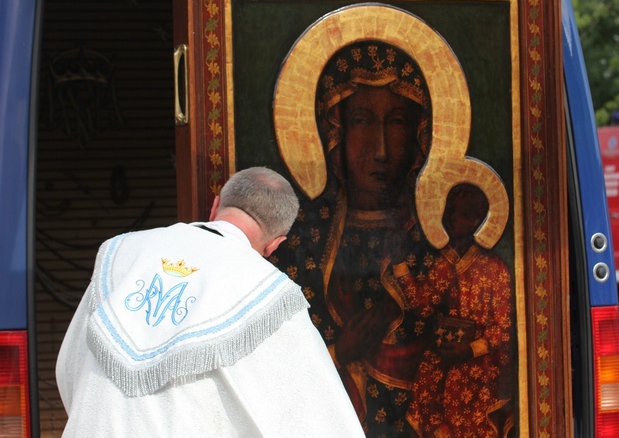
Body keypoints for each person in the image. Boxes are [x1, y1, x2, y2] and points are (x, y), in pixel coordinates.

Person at [55, 166, 364, 437]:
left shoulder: (122, 252)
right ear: (275, 244)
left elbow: (70, 367)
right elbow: (316, 418)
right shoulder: (268, 292)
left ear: (215, 206)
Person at [272, 40, 438, 436]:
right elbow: (274, 359)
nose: (379, 150)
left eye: (396, 122)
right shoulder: (302, 237)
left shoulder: (434, 236)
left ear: (418, 134)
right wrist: (338, 352)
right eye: (362, 120)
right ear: (335, 130)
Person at [392, 183, 515, 437]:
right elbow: (423, 306)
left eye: (457, 213)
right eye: (447, 210)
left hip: (480, 364)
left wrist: (469, 350)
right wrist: (400, 266)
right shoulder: (444, 264)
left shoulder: (494, 269)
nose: (448, 218)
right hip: (445, 356)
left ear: (474, 221)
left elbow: (502, 328)